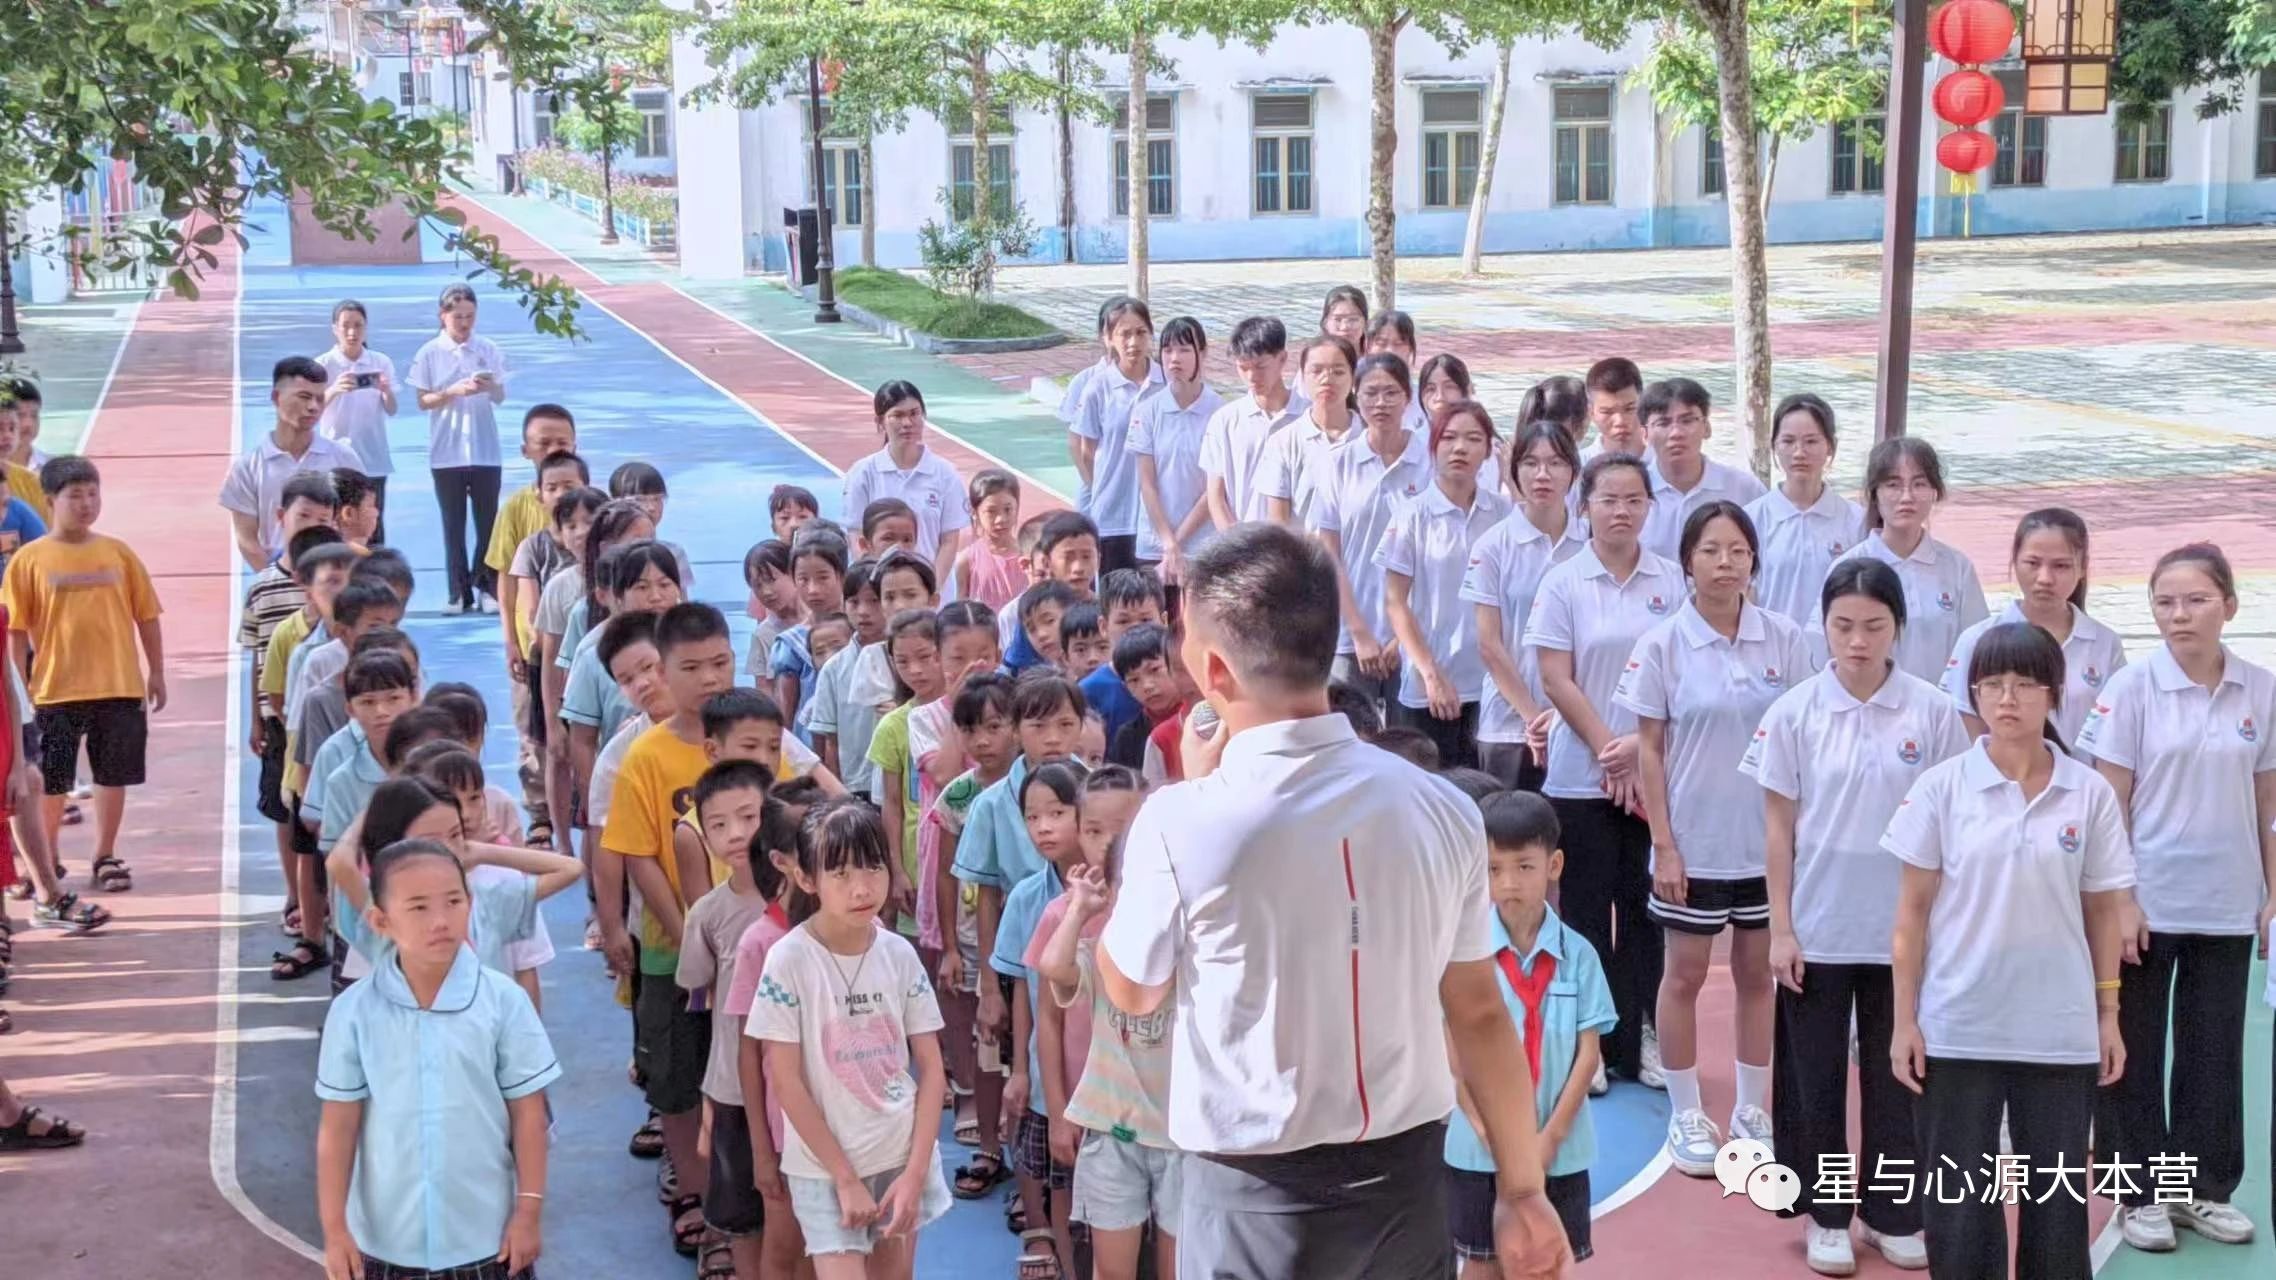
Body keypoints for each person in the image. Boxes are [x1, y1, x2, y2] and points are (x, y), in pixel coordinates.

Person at [1096, 522, 1571, 1280]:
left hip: (1250, 1192)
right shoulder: (1442, 807)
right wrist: (1521, 1188)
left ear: (1212, 668)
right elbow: (1479, 1010)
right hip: (1408, 1183)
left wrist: (1183, 796)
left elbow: (1131, 986)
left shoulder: (1182, 821)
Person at [1887, 622, 2133, 1280]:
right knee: (1960, 1208)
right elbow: (1910, 917)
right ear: (1973, 693)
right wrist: (1904, 1021)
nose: (2008, 699)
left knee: (2056, 1204)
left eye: (2025, 684)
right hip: (1958, 1025)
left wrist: (2107, 1016)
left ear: (2053, 694)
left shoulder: (2089, 792)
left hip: (2059, 1032)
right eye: (1992, 684)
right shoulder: (1941, 788)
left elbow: (2104, 910)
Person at [1745, 558, 1965, 1275]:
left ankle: (1892, 1212)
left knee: (1897, 1074)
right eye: (1843, 625)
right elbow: (1778, 832)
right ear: (1824, 626)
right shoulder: (1794, 713)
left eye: (1874, 626)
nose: (1858, 640)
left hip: (1903, 932)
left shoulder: (1932, 713)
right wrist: (1781, 927)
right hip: (1819, 926)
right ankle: (1828, 1214)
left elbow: (1951, 829)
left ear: (1898, 627)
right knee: (1815, 1083)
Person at [2078, 542, 2273, 1253]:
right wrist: (2120, 900)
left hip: (2225, 901)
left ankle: (2201, 1190)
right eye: (2164, 602)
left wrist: (2272, 895)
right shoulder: (2131, 690)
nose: (2179, 615)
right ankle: (2140, 1193)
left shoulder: (2260, 689)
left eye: (2195, 600)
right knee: (2134, 1053)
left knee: (2214, 1052)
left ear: (2230, 604)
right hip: (2147, 902)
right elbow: (2108, 805)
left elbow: (2266, 801)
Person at [1614, 502, 1809, 1173]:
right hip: (1692, 846)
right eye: (1710, 551)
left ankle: (1754, 1109)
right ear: (1687, 561)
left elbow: (1801, 743)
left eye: (1738, 552)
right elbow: (1649, 750)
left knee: (1760, 976)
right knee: (1684, 975)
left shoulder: (1785, 639)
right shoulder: (1662, 646)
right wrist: (1664, 844)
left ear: (1755, 561)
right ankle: (1688, 1110)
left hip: (1767, 848)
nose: (1725, 564)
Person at [314, 838, 559, 1280]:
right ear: (380, 920)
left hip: (487, 1237)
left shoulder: (504, 1002)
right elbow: (339, 1126)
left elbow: (528, 1114)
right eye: (419, 907)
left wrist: (528, 1212)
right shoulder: (353, 1012)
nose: (441, 921)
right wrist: (335, 1231)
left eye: (453, 901)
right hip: (387, 1242)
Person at [1526, 453, 1680, 1092]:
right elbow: (1556, 676)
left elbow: (1677, 675)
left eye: (1633, 500)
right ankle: (1586, 1044)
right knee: (1585, 915)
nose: (1620, 511)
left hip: (1653, 781)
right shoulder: (1563, 582)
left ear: (1650, 506)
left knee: (1645, 917)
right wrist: (1607, 748)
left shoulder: (1671, 581)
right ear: (1584, 505)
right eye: (1608, 499)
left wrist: (1637, 754)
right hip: (1578, 777)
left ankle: (1639, 1036)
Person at [750, 799, 954, 1278]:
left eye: (873, 867)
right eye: (839, 873)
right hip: (823, 1168)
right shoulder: (788, 961)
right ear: (807, 879)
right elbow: (786, 1082)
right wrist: (843, 1177)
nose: (862, 888)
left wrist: (915, 1171)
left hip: (899, 1153)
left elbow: (932, 1068)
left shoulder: (900, 955)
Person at [599, 602, 743, 1250]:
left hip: (754, 957)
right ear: (665, 669)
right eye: (692, 667)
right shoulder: (646, 756)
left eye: (721, 661)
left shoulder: (752, 736)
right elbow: (636, 855)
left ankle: (747, 1205)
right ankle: (703, 1208)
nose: (710, 677)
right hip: (672, 954)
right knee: (681, 1087)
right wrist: (689, 932)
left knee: (745, 1084)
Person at [1445, 792, 1616, 1273]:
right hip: (1477, 1150)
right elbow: (1454, 1058)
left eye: (1524, 867)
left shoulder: (1579, 955)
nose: (1508, 884)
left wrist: (1548, 1139)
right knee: (1482, 1265)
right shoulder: (1464, 954)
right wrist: (1491, 1136)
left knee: (1547, 1264)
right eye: (1494, 869)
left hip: (1558, 1150)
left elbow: (1588, 1057)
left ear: (1554, 864)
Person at [3, 457, 165, 895]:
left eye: (93, 494)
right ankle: (48, 858)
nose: (86, 504)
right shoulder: (28, 561)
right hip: (54, 690)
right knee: (51, 781)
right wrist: (19, 689)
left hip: (119, 684)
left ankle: (105, 854)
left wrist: (157, 672)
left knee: (113, 775)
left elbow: (147, 615)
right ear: (50, 500)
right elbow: (15, 632)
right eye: (75, 496)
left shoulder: (118, 552)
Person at [1030, 766, 1148, 1280]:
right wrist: (1058, 1111)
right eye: (1094, 830)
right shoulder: (1063, 915)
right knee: (1089, 1233)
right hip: (1088, 1106)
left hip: (1154, 1113)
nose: (1104, 845)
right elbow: (1048, 1021)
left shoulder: (1166, 910)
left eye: (1119, 830)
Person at [675, 759, 784, 1280]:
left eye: (749, 816)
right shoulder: (708, 914)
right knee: (744, 1215)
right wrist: (708, 1104)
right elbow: (697, 991)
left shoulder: (803, 898)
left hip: (800, 1084)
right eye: (717, 824)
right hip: (735, 1088)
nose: (735, 834)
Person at [996, 760, 1094, 1276]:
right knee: (1057, 1178)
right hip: (1046, 1072)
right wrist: (1017, 1069)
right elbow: (1022, 988)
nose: (1044, 828)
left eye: (1057, 812)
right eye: (1033, 817)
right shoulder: (1027, 899)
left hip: (1101, 1072)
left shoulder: (1113, 894)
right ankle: (1055, 1255)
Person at [1379, 398, 1512, 770]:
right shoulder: (1412, 516)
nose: (1460, 448)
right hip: (1430, 686)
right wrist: (1431, 674)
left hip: (1491, 685)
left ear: (1487, 450)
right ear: (1433, 447)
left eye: (1473, 438)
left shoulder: (1502, 513)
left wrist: (1512, 480)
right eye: (1449, 437)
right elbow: (1396, 603)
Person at [1466, 422, 1586, 793]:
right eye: (1531, 463)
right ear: (1514, 471)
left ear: (1574, 472)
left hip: (1580, 726)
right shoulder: (1493, 546)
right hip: (1510, 726)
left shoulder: (1590, 544)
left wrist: (1565, 718)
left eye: (1555, 463)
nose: (1543, 474)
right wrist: (1534, 718)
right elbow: (1490, 644)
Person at [1942, 508, 2126, 749]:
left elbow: (2115, 732)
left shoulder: (2104, 643)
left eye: (2061, 566)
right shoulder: (1977, 640)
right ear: (2015, 561)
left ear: (2083, 568)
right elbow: (1965, 732)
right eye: (2033, 563)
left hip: (2080, 784)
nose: (2045, 578)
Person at [1811, 437, 1986, 683]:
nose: (1907, 497)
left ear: (1935, 492)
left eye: (1919, 484)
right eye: (1893, 485)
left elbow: (1977, 649)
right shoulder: (1849, 568)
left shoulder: (1957, 568)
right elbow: (1821, 650)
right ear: (1874, 493)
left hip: (1939, 713)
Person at [1310, 351, 1428, 713]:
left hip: (1416, 635)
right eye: (1371, 393)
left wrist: (1400, 638)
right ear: (1356, 397)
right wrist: (1359, 631)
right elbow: (1329, 554)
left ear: (1408, 397)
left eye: (1392, 393)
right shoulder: (1338, 463)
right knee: (1348, 734)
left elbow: (1435, 560)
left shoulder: (1429, 461)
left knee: (1409, 745)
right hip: (1350, 633)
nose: (1381, 403)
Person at [407, 282, 510, 614]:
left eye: (470, 316)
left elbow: (500, 397)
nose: (465, 324)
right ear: (443, 316)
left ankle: (486, 587)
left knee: (487, 523)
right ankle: (457, 592)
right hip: (447, 451)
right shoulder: (429, 353)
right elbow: (423, 401)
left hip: (485, 450)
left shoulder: (488, 348)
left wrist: (490, 385)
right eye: (458, 317)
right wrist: (452, 392)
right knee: (453, 524)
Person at [221, 356, 364, 571]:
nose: (313, 407)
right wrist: (277, 581)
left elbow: (360, 526)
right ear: (276, 397)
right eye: (304, 397)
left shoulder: (345, 459)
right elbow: (247, 540)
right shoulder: (247, 468)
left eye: (319, 398)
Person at [1743, 394, 1865, 627]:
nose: (1799, 453)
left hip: (1834, 657)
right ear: (1774, 447)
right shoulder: (1751, 519)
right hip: (1771, 654)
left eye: (1811, 441)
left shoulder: (1855, 520)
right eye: (1788, 441)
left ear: (1830, 446)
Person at [1131, 316, 1224, 592]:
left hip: (1202, 546)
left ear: (1203, 353)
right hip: (1154, 544)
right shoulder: (1147, 410)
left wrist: (1179, 542)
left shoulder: (1220, 413)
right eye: (1168, 350)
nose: (1174, 359)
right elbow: (1147, 483)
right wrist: (1167, 542)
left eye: (1184, 350)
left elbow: (1214, 490)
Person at [1072, 298, 1163, 576]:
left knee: (1155, 606)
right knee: (1116, 606)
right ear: (1108, 339)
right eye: (1124, 334)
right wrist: (1103, 491)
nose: (1133, 342)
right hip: (1114, 519)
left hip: (1158, 519)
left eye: (1140, 332)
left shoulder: (1166, 383)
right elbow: (1085, 450)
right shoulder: (1098, 388)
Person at [842, 381, 970, 579]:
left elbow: (949, 541)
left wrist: (930, 589)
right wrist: (874, 585)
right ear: (880, 421)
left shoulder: (945, 473)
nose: (907, 423)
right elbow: (856, 536)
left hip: (932, 596)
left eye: (914, 413)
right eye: (897, 415)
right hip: (882, 595)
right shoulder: (863, 473)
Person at [1635, 379, 1764, 564]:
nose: (1676, 433)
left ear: (1707, 427)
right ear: (1645, 434)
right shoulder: (1632, 493)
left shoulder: (1744, 489)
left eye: (1687, 420)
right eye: (1663, 423)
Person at [1201, 316, 1306, 530]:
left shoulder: (1308, 416)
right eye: (1243, 367)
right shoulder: (1225, 420)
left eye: (1260, 366)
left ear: (1283, 359)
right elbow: (1216, 497)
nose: (1252, 376)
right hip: (1244, 549)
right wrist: (1235, 546)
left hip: (1298, 549)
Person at [314, 300, 399, 536]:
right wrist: (333, 391)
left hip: (373, 459)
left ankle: (375, 573)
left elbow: (391, 409)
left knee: (373, 528)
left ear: (366, 328)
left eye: (358, 325)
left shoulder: (380, 362)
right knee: (336, 526)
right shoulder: (322, 365)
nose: (352, 332)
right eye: (345, 326)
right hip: (336, 461)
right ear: (335, 329)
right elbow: (311, 411)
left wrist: (385, 390)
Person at [1260, 335, 1358, 530]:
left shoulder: (1371, 437)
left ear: (1353, 378)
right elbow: (1278, 524)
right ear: (1303, 378)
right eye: (1316, 371)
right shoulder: (1283, 442)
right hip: (1307, 558)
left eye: (1338, 372)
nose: (1327, 379)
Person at [952, 468, 1026, 614]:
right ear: (974, 512)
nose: (1001, 519)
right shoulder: (966, 561)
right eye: (991, 511)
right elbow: (959, 612)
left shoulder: (1028, 555)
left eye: (1007, 509)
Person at [1580, 358, 1647, 462]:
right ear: (1591, 413)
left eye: (1629, 409)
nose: (1620, 421)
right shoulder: (1578, 467)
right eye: (1607, 412)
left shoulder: (1665, 461)